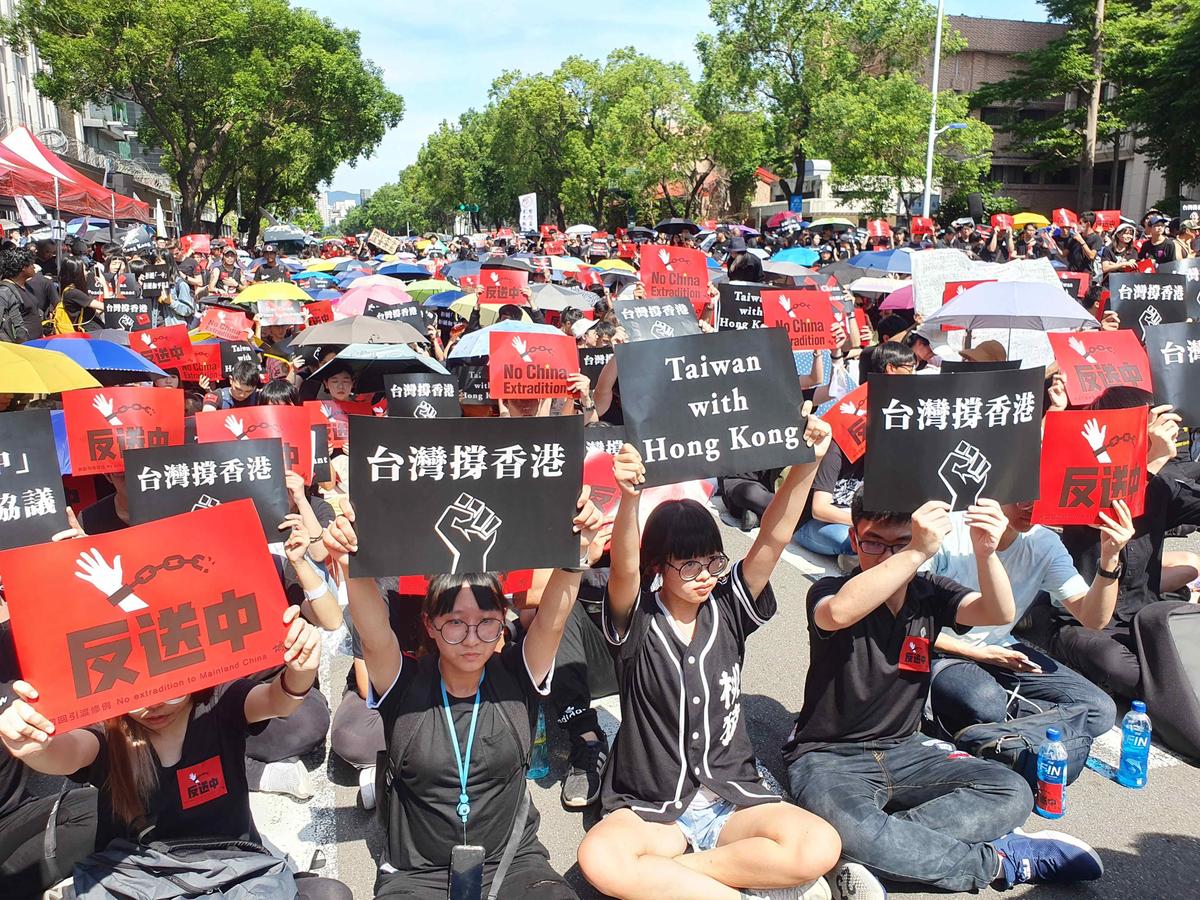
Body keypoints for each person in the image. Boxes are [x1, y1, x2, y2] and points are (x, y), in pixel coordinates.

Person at [784, 490, 1104, 895]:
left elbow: (998, 612)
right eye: (873, 543)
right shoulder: (832, 588)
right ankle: (1001, 863)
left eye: (900, 543)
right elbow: (839, 613)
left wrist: (986, 552)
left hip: (907, 747)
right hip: (828, 755)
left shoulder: (931, 591)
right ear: (853, 537)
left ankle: (877, 854)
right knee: (842, 823)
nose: (887, 556)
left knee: (1011, 791)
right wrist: (916, 550)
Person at [577, 420, 844, 900]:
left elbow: (773, 537)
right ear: (659, 564)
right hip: (651, 804)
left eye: (713, 563)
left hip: (731, 797)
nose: (705, 576)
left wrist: (808, 462)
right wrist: (629, 496)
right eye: (689, 565)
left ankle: (680, 875)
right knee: (599, 857)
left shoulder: (728, 608)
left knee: (819, 843)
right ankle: (750, 889)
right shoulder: (636, 621)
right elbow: (623, 570)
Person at [323, 489, 601, 899]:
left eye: (487, 623)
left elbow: (553, 621)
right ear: (430, 625)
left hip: (513, 862)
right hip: (416, 875)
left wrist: (573, 552)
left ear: (502, 622)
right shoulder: (404, 685)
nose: (472, 639)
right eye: (455, 623)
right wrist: (352, 563)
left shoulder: (517, 679)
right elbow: (374, 632)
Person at [0, 606, 351, 900]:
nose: (154, 707)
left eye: (169, 689)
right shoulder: (110, 732)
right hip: (141, 878)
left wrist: (300, 669)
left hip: (237, 869)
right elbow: (68, 751)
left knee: (331, 894)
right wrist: (34, 745)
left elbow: (277, 701)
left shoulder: (220, 702)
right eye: (135, 696)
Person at [924, 497, 1132, 739]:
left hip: (1001, 650)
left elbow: (1093, 619)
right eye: (1020, 499)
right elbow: (907, 623)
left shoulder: (1044, 542)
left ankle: (993, 734)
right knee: (986, 702)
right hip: (937, 650)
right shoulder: (949, 530)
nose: (1031, 508)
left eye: (1040, 499)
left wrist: (1110, 558)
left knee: (1100, 710)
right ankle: (998, 727)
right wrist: (977, 654)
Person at [796, 343, 917, 567]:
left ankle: (861, 556)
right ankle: (858, 557)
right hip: (817, 524)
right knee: (853, 538)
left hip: (862, 522)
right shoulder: (836, 443)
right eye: (910, 367)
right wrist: (866, 523)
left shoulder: (888, 447)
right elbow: (819, 509)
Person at [57, 257, 105, 333]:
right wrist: (104, 284)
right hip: (89, 333)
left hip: (91, 331)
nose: (87, 273)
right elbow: (106, 307)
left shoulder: (71, 291)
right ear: (76, 273)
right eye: (85, 270)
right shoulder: (73, 293)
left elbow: (98, 311)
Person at [0, 246, 31, 343]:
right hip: (18, 348)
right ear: (23, 268)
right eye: (31, 264)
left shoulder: (28, 286)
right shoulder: (4, 292)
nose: (34, 266)